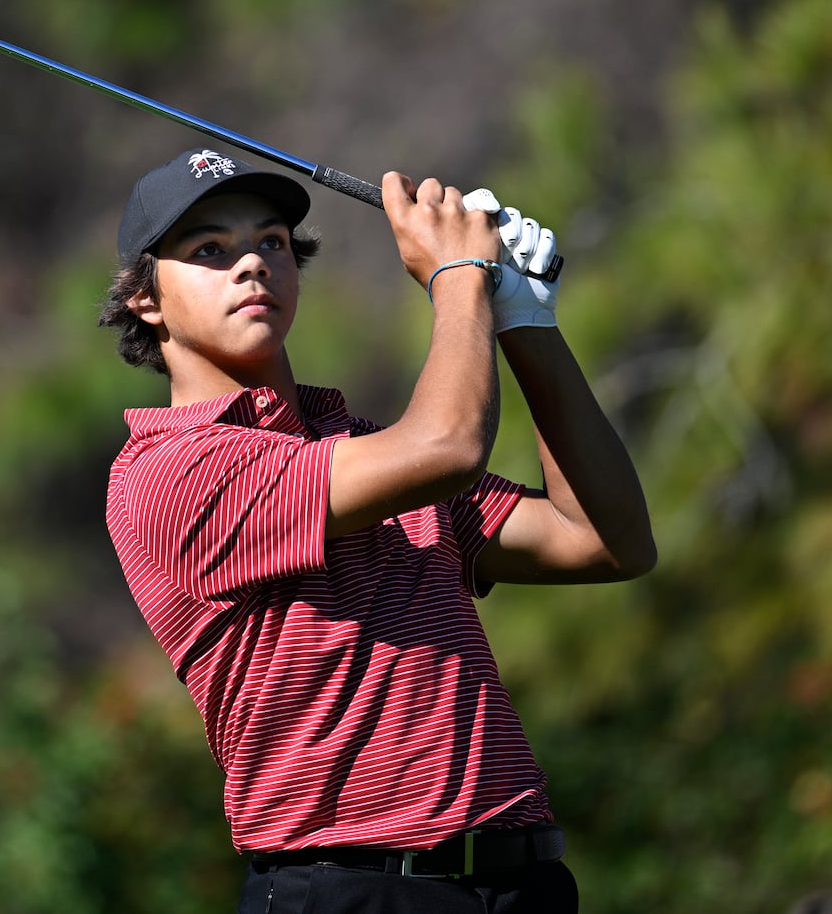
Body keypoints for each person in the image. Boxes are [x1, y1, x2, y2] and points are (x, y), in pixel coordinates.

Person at [99, 147, 656, 913]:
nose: (252, 265)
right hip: (349, 888)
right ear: (145, 300)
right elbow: (448, 446)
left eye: (272, 242)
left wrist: (525, 319)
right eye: (209, 251)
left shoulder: (357, 449)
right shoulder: (168, 474)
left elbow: (602, 539)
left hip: (520, 882)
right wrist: (459, 279)